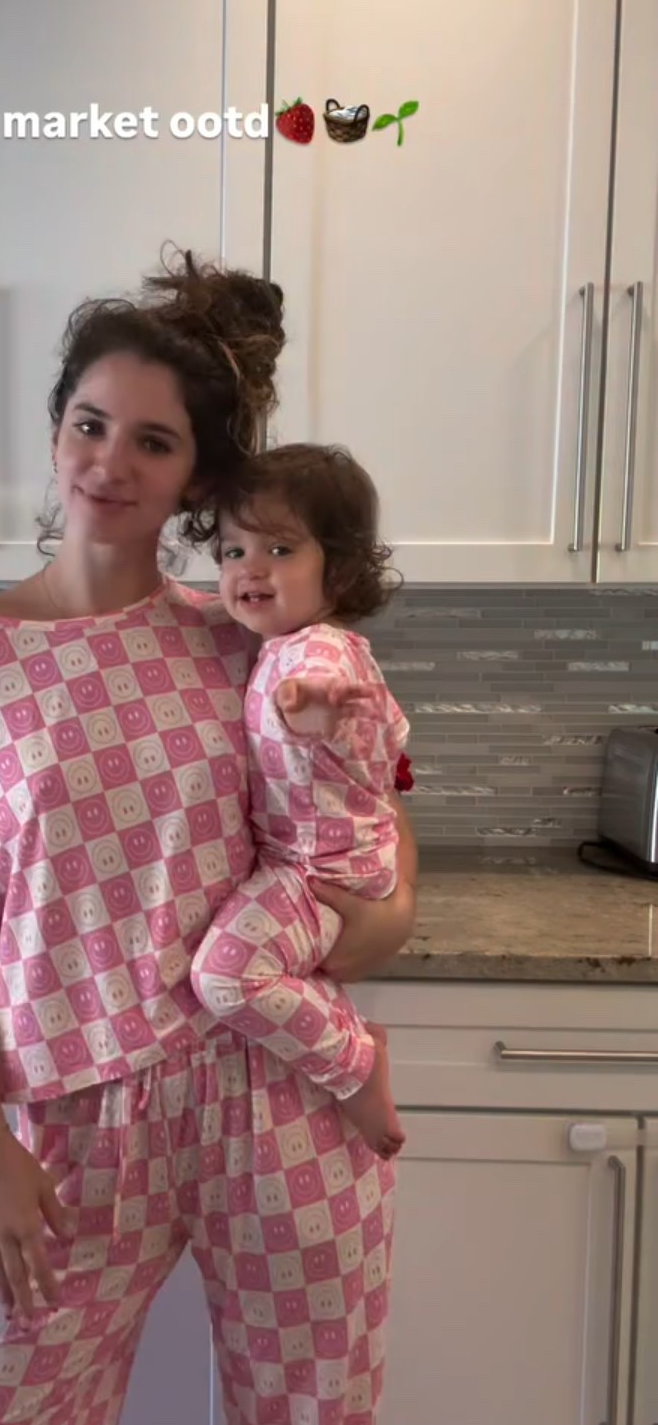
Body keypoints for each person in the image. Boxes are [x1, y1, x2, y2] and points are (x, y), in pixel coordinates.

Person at [0, 249, 417, 1425]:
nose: (112, 460)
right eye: (93, 423)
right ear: (55, 430)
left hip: (272, 1105)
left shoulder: (248, 643)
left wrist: (361, 933)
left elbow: (378, 876)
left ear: (194, 482)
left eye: (154, 441)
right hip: (69, 1127)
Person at [190, 445, 410, 1161]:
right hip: (316, 864)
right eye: (232, 549)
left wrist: (308, 712)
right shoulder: (278, 645)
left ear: (338, 569)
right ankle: (352, 1054)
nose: (249, 567)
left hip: (324, 874)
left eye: (280, 548)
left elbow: (314, 694)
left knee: (225, 974)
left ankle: (355, 1065)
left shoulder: (319, 653)